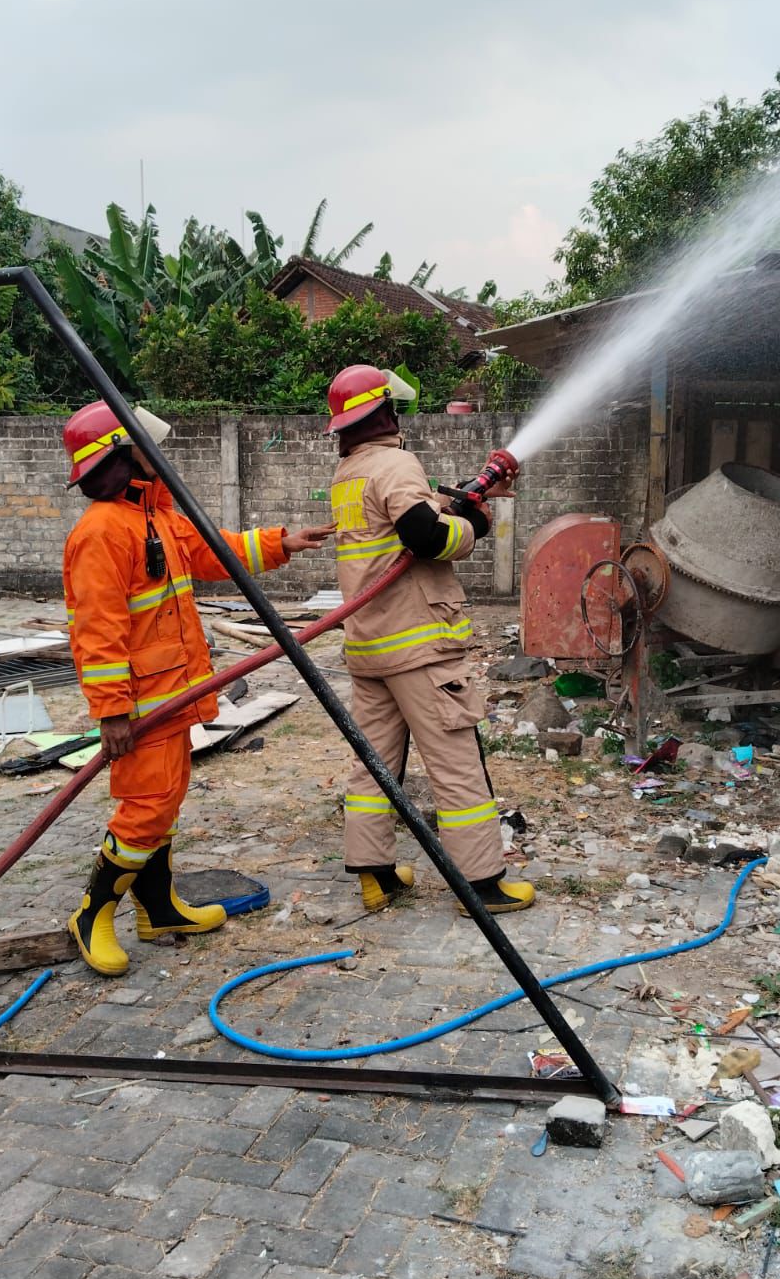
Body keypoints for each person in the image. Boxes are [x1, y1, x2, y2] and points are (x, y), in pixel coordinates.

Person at [62, 400, 333, 975]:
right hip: (140, 707)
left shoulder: (154, 517)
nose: (160, 451)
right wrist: (111, 712)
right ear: (120, 454)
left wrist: (284, 541)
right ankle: (92, 914)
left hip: (172, 699)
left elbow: (216, 550)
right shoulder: (102, 532)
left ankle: (158, 908)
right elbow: (96, 631)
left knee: (163, 805)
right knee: (145, 809)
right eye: (145, 443)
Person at [327, 364, 535, 916]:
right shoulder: (397, 462)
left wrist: (447, 502)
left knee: (375, 761)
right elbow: (423, 536)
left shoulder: (348, 473)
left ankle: (376, 875)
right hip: (418, 647)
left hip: (369, 645)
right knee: (456, 760)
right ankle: (482, 885)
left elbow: (392, 529)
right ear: (387, 411)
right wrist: (475, 526)